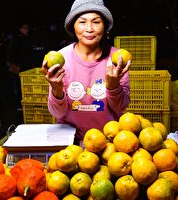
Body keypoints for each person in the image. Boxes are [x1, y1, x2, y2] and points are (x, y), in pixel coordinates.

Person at [42, 0, 131, 145]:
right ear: (73, 27)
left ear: (105, 27)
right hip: (71, 142)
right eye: (82, 22)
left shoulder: (117, 60)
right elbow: (57, 113)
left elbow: (120, 107)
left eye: (96, 22)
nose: (89, 28)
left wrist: (113, 86)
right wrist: (57, 90)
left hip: (108, 142)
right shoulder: (61, 59)